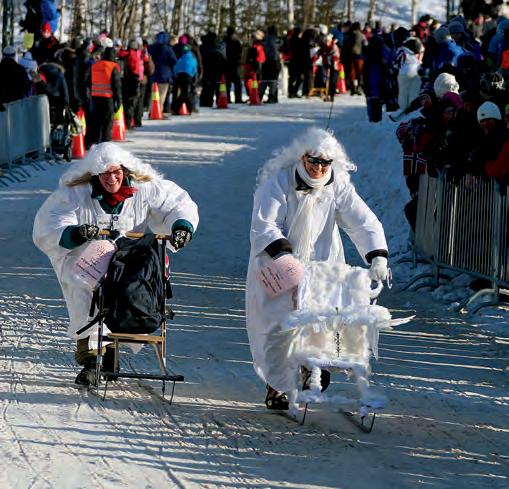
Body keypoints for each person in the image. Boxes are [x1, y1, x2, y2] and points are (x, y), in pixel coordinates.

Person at [33, 143, 199, 385]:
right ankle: (91, 358)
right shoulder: (76, 193)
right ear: (95, 175)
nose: (112, 179)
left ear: (124, 169)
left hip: (132, 256)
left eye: (116, 172)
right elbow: (51, 222)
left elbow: (177, 204)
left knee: (136, 291)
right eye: (105, 174)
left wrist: (182, 226)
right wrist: (76, 233)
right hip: (90, 258)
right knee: (82, 287)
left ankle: (113, 347)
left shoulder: (145, 189)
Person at [246, 127, 388, 410]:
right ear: (302, 156)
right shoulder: (279, 182)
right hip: (279, 262)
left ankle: (314, 367)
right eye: (314, 161)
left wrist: (377, 254)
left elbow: (362, 221)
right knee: (279, 325)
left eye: (326, 163)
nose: (319, 168)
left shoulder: (338, 186)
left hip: (321, 264)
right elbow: (265, 224)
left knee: (321, 319)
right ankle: (278, 385)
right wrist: (284, 254)